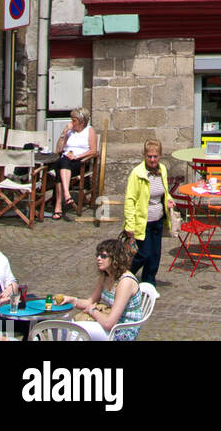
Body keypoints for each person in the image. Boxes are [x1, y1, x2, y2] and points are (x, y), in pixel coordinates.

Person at [123, 139, 176, 286]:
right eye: (149, 156)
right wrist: (129, 226)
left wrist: (169, 200)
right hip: (142, 221)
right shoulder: (137, 174)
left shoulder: (162, 170)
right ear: (144, 156)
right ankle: (124, 277)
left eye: (155, 156)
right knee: (142, 254)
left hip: (157, 220)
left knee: (155, 255)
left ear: (160, 156)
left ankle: (148, 284)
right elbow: (130, 200)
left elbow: (164, 192)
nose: (152, 160)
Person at [68, 239, 144, 341]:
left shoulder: (125, 282)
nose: (98, 258)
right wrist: (71, 300)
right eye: (97, 255)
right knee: (67, 326)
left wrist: (92, 310)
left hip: (123, 330)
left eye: (103, 256)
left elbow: (109, 323)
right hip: (110, 323)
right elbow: (90, 301)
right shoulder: (105, 276)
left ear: (115, 258)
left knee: (76, 332)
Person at [51, 107, 97, 220]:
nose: (71, 123)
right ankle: (66, 195)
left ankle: (58, 206)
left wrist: (77, 156)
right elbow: (58, 149)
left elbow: (93, 150)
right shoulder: (70, 132)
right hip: (66, 161)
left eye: (74, 121)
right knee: (62, 162)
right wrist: (64, 132)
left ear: (82, 122)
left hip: (80, 162)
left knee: (60, 167)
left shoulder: (89, 130)